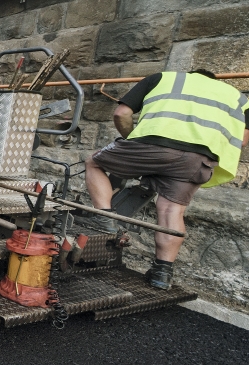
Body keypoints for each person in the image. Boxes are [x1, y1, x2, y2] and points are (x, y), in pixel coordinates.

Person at [83, 69, 248, 289]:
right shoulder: (238, 97)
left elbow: (121, 113)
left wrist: (131, 142)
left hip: (150, 145)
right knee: (172, 211)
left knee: (93, 162)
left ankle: (105, 221)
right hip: (196, 159)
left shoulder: (163, 78)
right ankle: (162, 274)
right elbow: (242, 140)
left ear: (191, 74)